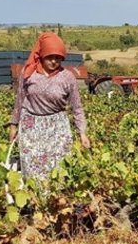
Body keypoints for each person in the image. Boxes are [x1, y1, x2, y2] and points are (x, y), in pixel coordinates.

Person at [9, 32, 90, 181]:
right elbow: (19, 100)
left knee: (59, 169)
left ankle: (55, 202)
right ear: (41, 55)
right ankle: (36, 202)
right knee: (33, 169)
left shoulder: (67, 77)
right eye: (50, 57)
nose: (54, 61)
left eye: (58, 58)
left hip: (57, 127)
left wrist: (82, 133)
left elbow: (77, 108)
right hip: (31, 126)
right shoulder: (28, 74)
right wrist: (14, 125)